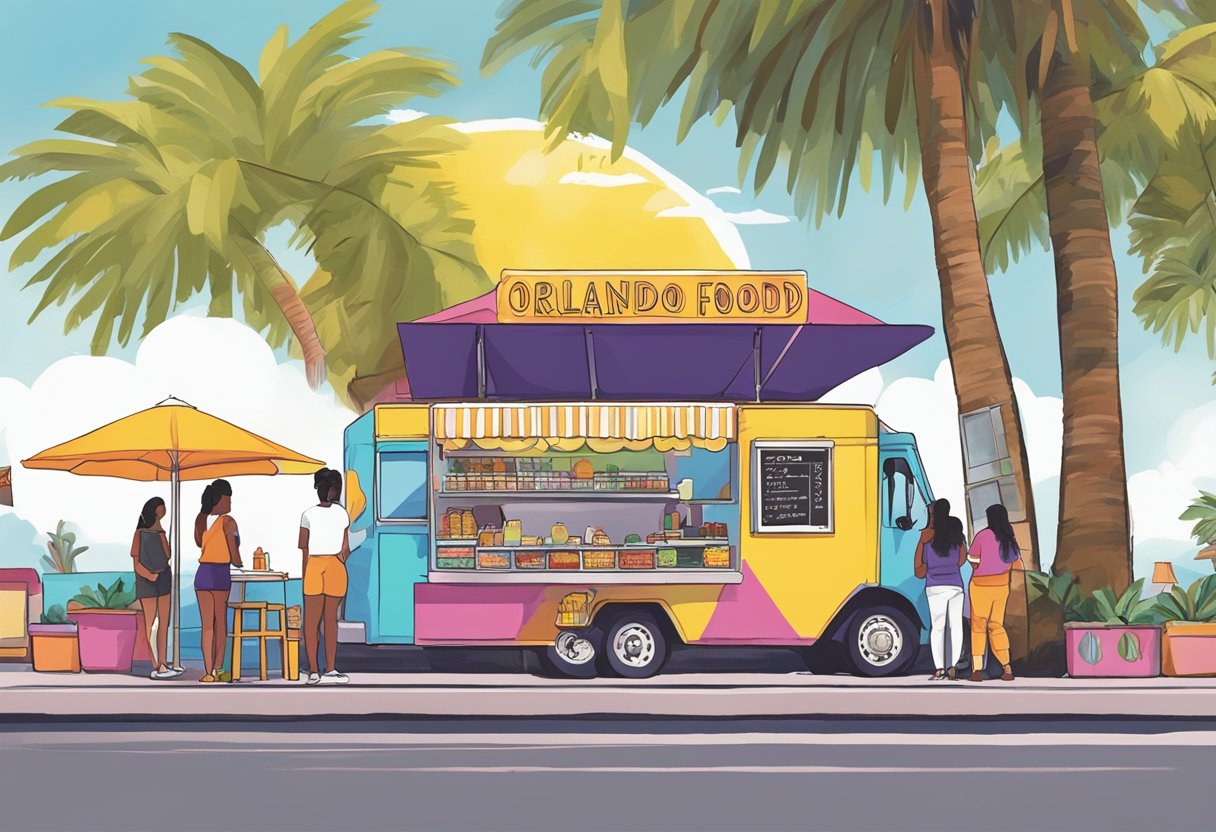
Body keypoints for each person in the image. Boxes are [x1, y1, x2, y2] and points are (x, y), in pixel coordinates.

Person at [299, 468, 351, 686]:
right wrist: (339, 558)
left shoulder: (308, 514)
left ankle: (313, 670)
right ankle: (329, 668)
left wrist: (304, 576)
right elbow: (346, 548)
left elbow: (304, 548)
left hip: (314, 565)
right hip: (336, 566)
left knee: (311, 622)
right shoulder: (342, 513)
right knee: (331, 621)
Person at [967, 504, 1024, 682]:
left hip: (980, 586)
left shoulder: (983, 536)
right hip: (1001, 587)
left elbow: (972, 559)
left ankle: (977, 669)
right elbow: (1017, 564)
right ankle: (1007, 667)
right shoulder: (1009, 538)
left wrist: (981, 565)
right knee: (996, 626)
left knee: (978, 626)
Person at [194, 479, 242, 683]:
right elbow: (234, 556)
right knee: (220, 623)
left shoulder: (201, 519)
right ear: (220, 499)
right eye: (228, 498)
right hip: (221, 573)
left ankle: (208, 672)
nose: (230, 503)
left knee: (207, 626)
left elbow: (199, 543)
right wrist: (241, 563)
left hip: (203, 574)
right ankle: (218, 668)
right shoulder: (229, 521)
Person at [131, 497, 182, 680]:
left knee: (164, 623)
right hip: (147, 580)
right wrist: (150, 575)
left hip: (164, 577)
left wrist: (161, 532)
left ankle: (164, 661)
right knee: (152, 624)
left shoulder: (160, 532)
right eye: (162, 507)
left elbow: (167, 554)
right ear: (154, 510)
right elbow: (136, 563)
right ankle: (156, 665)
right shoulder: (140, 534)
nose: (164, 509)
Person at [915, 514, 967, 681]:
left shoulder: (928, 543)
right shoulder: (958, 543)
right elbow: (961, 561)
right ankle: (953, 665)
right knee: (955, 626)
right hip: (955, 586)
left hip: (934, 587)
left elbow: (919, 570)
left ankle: (939, 668)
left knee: (938, 627)